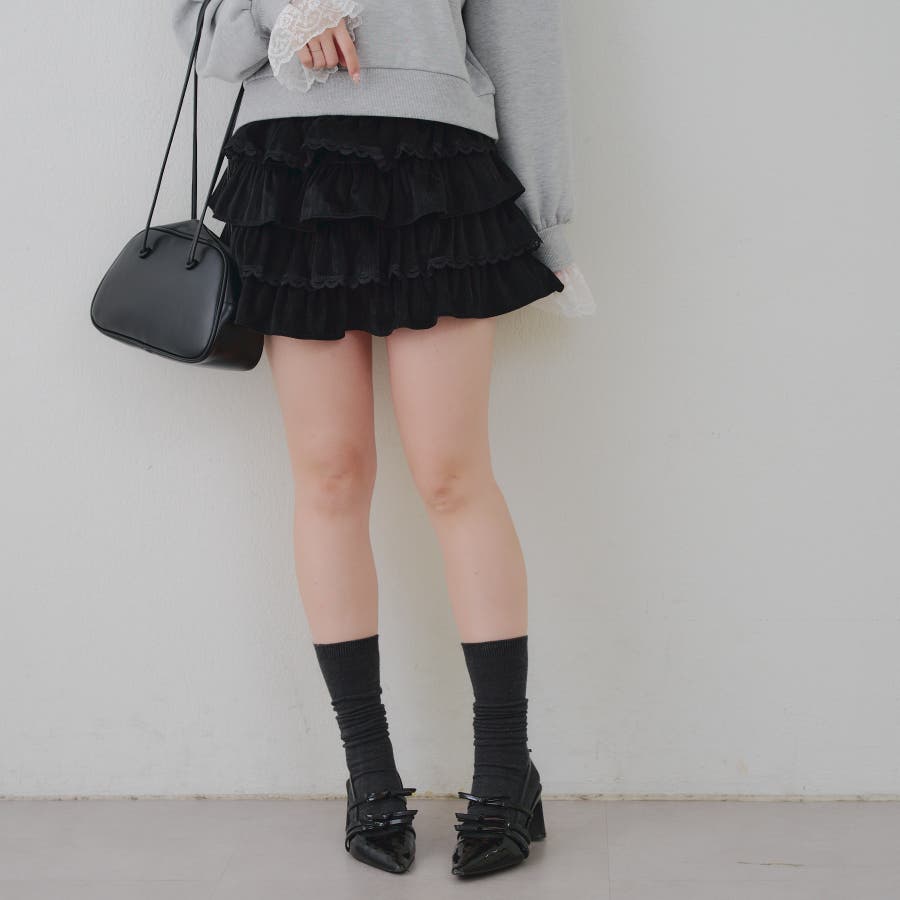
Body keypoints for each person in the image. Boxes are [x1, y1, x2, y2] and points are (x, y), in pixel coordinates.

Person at [171, 0, 595, 878]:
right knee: (330, 475)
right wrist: (287, 11)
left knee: (451, 474)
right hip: (292, 168)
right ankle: (368, 773)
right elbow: (202, 36)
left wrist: (548, 221)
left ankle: (505, 770)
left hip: (439, 163)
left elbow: (522, 38)